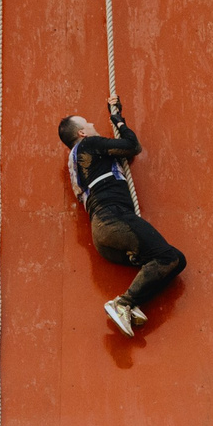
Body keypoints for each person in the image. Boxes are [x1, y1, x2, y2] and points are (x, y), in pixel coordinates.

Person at [62, 101, 186, 336]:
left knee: (175, 260)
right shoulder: (89, 144)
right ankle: (123, 303)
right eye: (87, 123)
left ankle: (130, 302)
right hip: (114, 218)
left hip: (102, 234)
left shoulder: (77, 163)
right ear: (81, 133)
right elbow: (132, 146)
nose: (92, 124)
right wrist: (118, 119)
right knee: (167, 256)